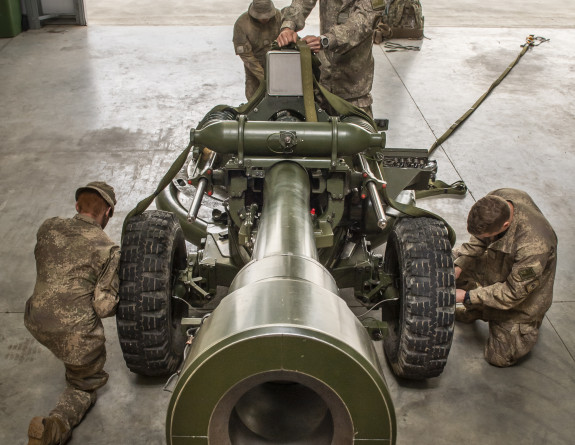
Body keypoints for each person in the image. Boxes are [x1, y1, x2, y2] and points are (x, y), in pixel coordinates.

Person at [25, 182, 120, 445]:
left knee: (63, 337)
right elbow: (104, 307)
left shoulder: (48, 227)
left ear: (77, 206)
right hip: (77, 334)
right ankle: (53, 429)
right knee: (83, 384)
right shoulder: (108, 248)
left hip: (36, 319)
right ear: (109, 213)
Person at [454, 188, 557, 367]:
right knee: (447, 267)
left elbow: (512, 294)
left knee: (498, 358)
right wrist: (460, 265)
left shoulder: (534, 246)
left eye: (488, 235)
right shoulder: (499, 198)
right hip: (499, 263)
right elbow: (480, 239)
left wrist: (466, 296)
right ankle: (479, 308)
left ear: (505, 225)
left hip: (520, 300)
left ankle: (521, 325)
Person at [276, 0, 378, 116]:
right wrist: (288, 26)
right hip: (323, 83)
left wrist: (326, 40)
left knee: (358, 133)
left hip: (353, 90)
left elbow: (362, 23)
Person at [233, 0, 281, 100]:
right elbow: (246, 56)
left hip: (278, 65)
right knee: (254, 100)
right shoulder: (241, 24)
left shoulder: (279, 17)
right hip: (254, 67)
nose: (265, 19)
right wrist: (263, 77)